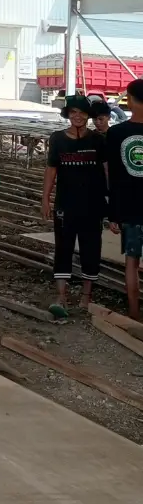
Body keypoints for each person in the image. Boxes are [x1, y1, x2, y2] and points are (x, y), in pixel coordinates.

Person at [43, 94, 107, 317]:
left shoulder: (98, 140)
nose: (77, 116)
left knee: (91, 248)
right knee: (63, 248)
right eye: (73, 113)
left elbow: (107, 170)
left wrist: (111, 199)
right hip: (66, 203)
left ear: (88, 116)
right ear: (68, 115)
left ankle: (86, 297)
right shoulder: (57, 139)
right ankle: (61, 296)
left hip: (93, 204)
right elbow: (51, 169)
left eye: (81, 113)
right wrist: (45, 198)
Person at [104, 77, 143, 321]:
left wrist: (113, 212)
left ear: (129, 100)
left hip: (129, 209)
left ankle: (134, 312)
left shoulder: (116, 133)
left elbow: (112, 175)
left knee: (131, 262)